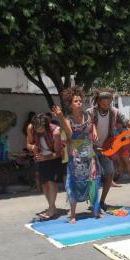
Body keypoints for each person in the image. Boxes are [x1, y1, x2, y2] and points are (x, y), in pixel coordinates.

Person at [52, 87, 101, 224]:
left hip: (89, 151)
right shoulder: (68, 119)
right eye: (76, 101)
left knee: (93, 180)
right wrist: (60, 117)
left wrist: (95, 131)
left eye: (80, 100)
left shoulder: (87, 115)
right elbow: (69, 134)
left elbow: (92, 124)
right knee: (75, 183)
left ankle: (96, 210)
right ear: (70, 104)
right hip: (76, 155)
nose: (79, 103)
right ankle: (73, 215)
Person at [87, 89, 130, 211]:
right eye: (104, 104)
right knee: (94, 175)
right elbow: (88, 126)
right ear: (99, 102)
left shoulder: (115, 112)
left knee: (110, 173)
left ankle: (102, 201)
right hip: (91, 147)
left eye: (109, 104)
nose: (107, 107)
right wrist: (92, 129)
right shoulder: (90, 112)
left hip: (106, 148)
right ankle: (92, 201)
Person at [26, 113, 62, 220]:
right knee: (44, 183)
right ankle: (52, 207)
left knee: (51, 182)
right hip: (41, 157)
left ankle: (51, 209)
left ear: (47, 126)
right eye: (37, 129)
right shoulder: (30, 128)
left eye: (41, 129)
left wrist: (46, 158)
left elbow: (58, 153)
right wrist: (33, 147)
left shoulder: (55, 131)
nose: (39, 132)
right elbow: (28, 144)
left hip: (53, 158)